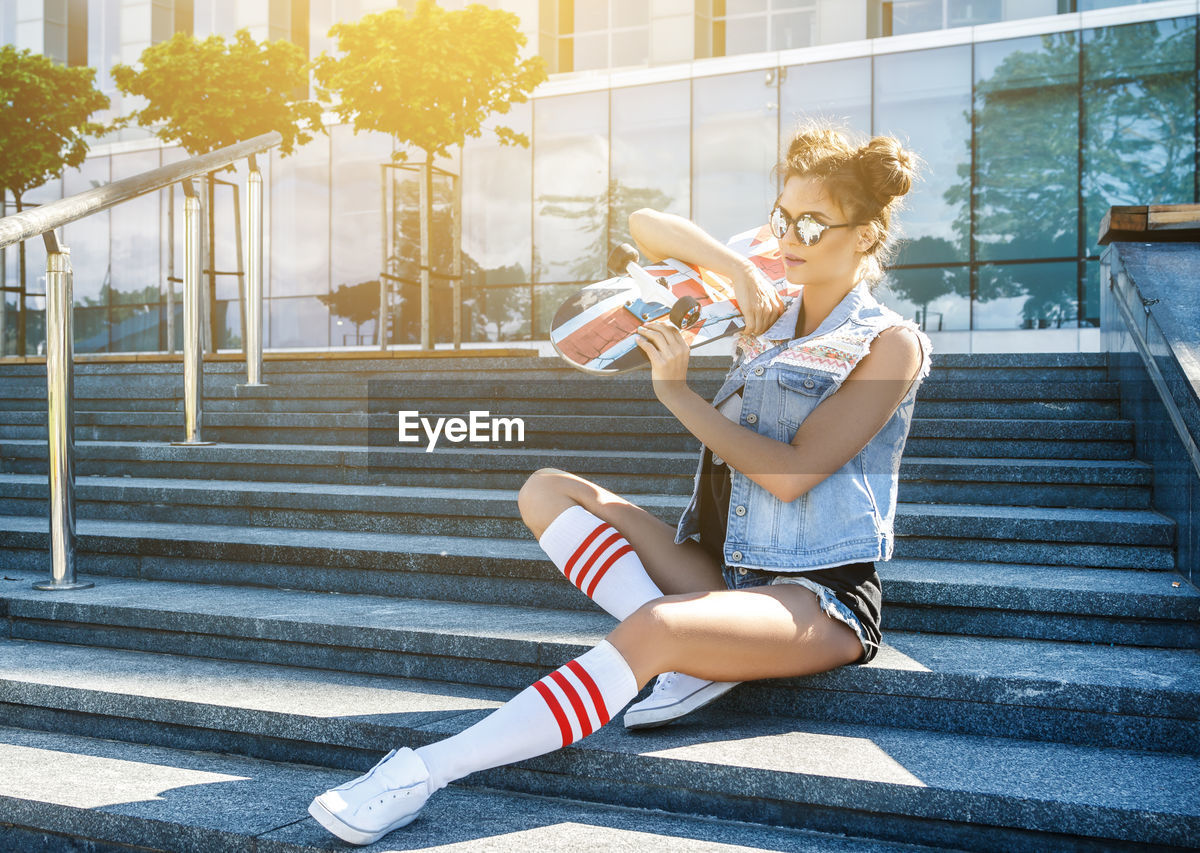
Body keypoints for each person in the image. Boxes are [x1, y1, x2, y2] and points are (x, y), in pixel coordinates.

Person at [307, 124, 933, 846]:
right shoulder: (763, 302)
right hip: (726, 569)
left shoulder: (889, 342)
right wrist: (736, 265)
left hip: (815, 595)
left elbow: (791, 477)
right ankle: (694, 666)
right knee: (547, 489)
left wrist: (679, 395)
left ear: (864, 236)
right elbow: (646, 227)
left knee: (658, 627)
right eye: (782, 217)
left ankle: (421, 772)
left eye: (813, 223)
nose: (790, 236)